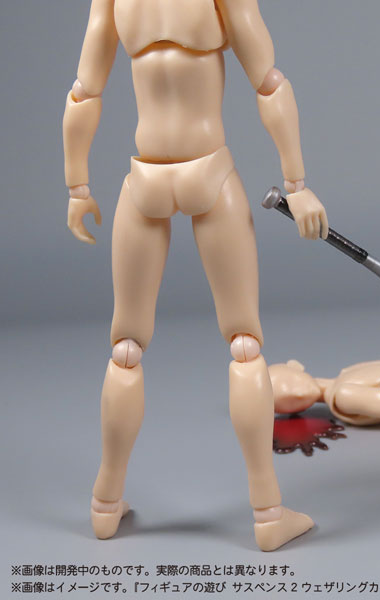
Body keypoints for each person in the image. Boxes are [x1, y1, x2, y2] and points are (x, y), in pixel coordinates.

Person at [63, 0, 326, 551]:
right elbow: (269, 82)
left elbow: (84, 92)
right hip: (209, 173)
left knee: (126, 348)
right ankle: (267, 513)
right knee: (245, 344)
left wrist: (78, 186)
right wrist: (297, 184)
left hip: (145, 180)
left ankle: (104, 505)